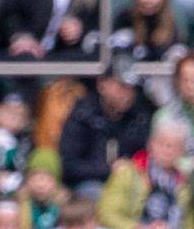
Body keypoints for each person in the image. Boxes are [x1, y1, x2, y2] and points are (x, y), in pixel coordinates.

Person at [100, 119, 194, 229]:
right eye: (163, 144)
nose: (168, 150)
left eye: (175, 146)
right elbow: (106, 214)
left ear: (182, 152)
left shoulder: (186, 184)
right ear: (151, 144)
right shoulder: (127, 172)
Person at [60, 58, 153, 192]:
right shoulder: (83, 115)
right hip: (88, 184)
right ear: (102, 84)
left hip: (128, 183)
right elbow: (69, 165)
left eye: (132, 88)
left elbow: (146, 154)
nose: (128, 94)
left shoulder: (139, 117)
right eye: (122, 86)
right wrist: (109, 169)